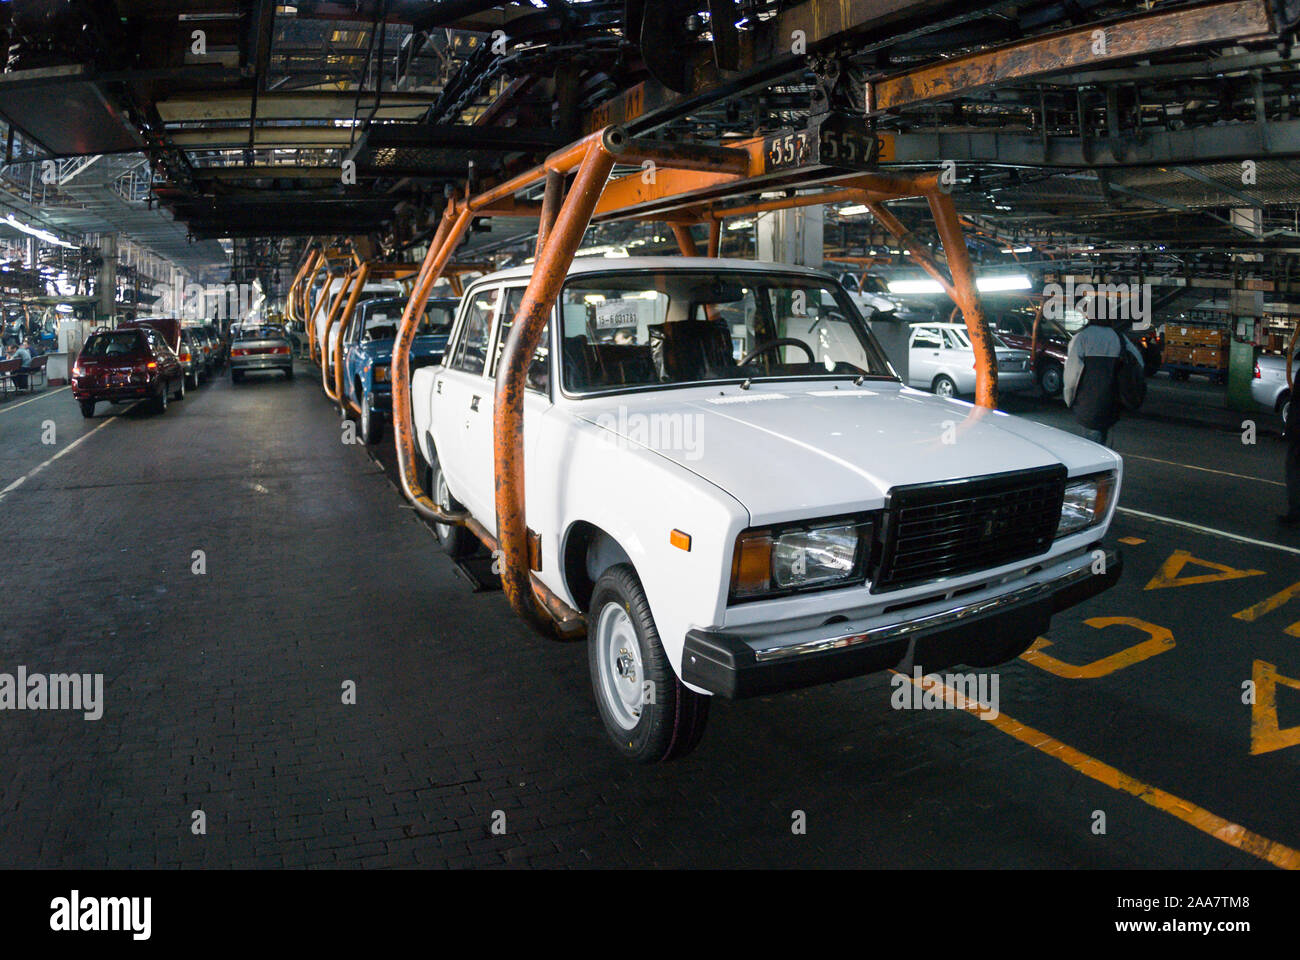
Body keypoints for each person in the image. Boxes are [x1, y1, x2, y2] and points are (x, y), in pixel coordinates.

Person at [1062, 315, 1144, 446]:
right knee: (1107, 451)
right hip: (1111, 406)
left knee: (1091, 451)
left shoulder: (1081, 337)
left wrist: (1068, 399)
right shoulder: (1119, 338)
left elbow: (1072, 375)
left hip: (1087, 406)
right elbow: (1139, 362)